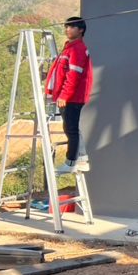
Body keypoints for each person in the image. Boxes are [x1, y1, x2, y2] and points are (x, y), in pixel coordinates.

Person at [46, 17, 93, 174]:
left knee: (70, 129)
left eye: (71, 27)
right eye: (66, 27)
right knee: (72, 127)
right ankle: (81, 159)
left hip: (72, 97)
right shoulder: (70, 47)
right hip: (69, 96)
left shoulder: (77, 49)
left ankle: (71, 162)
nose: (67, 29)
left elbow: (73, 75)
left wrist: (64, 96)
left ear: (81, 30)